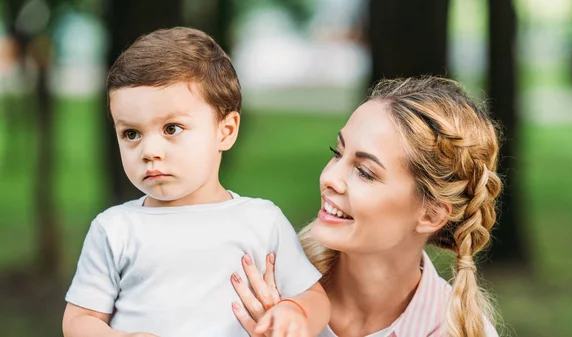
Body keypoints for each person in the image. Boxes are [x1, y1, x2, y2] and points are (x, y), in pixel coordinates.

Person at [61, 27, 330, 337]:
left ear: (225, 131)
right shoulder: (115, 229)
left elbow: (315, 298)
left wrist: (295, 313)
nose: (149, 152)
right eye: (131, 134)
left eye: (172, 128)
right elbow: (79, 321)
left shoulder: (261, 221)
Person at [231, 76, 502, 337]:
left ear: (431, 214)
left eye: (365, 172)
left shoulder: (455, 331)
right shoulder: (265, 283)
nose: (329, 178)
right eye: (337, 153)